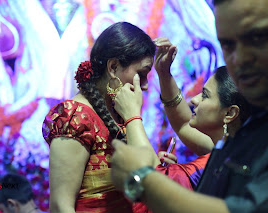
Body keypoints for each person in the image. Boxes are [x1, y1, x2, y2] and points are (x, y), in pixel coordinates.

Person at [110, 0, 268, 212]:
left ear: (230, 113)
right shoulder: (239, 136)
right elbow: (184, 124)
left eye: (257, 38)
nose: (239, 59)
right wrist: (164, 74)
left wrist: (143, 178)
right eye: (228, 44)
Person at [42, 22, 158, 212]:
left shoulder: (119, 112)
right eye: (141, 74)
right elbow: (61, 206)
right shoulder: (73, 118)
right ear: (113, 67)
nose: (144, 85)